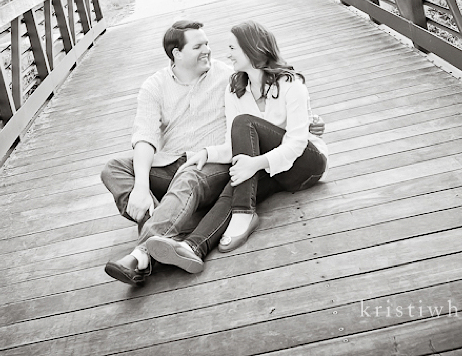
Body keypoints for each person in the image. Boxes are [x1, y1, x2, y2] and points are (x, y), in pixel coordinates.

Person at [101, 20, 324, 285]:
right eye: (199, 46)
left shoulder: (228, 76)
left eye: (209, 44)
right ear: (177, 54)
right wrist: (139, 187)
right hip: (175, 161)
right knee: (113, 169)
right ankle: (165, 220)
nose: (210, 50)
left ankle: (142, 253)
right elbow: (145, 138)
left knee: (196, 178)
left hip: (214, 166)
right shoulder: (157, 86)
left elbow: (271, 103)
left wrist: (310, 121)